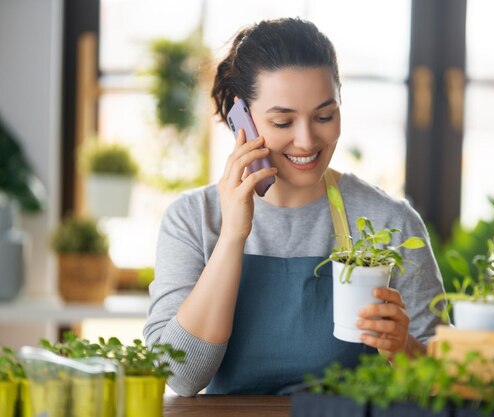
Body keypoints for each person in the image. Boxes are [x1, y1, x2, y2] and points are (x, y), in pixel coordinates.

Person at [144, 17, 445, 397]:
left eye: (324, 116)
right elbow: (181, 376)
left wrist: (404, 348)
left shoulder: (391, 221)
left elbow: (445, 380)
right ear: (243, 119)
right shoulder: (192, 219)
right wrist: (233, 236)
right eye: (283, 121)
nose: (306, 140)